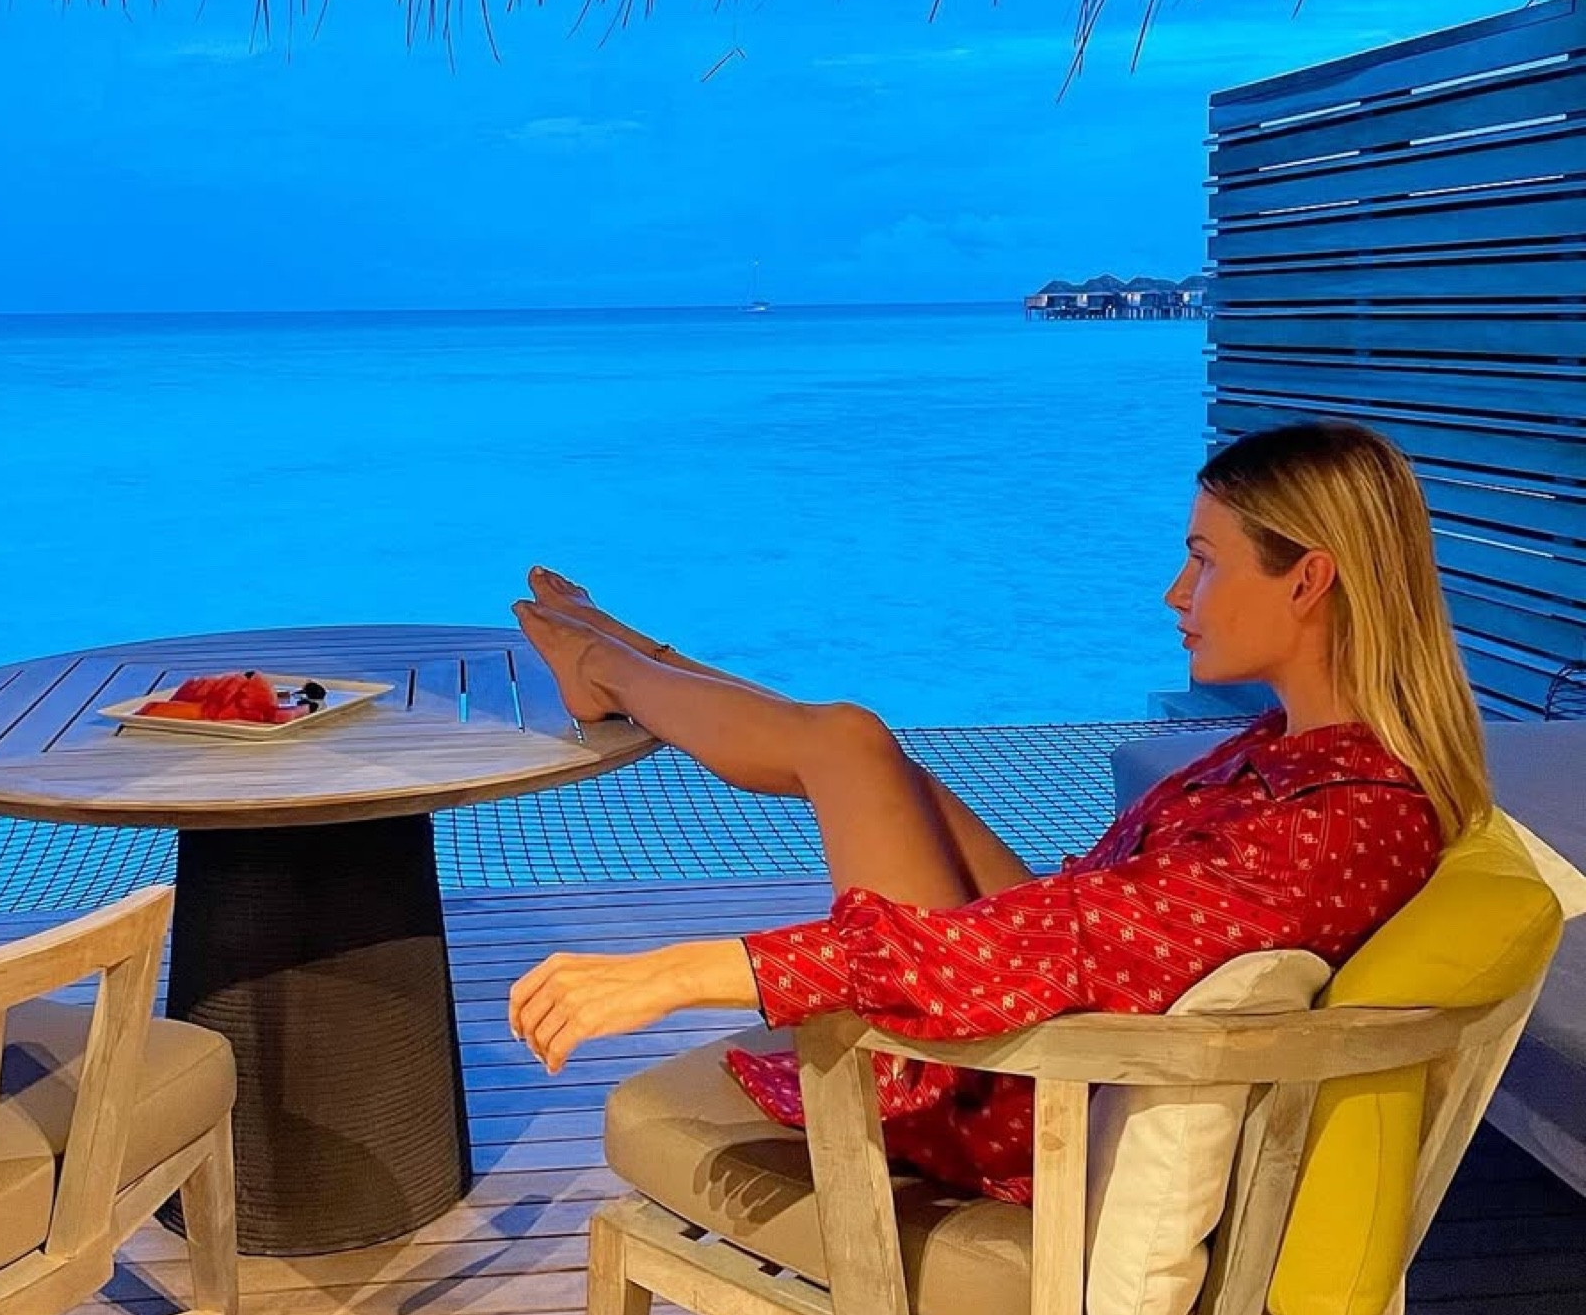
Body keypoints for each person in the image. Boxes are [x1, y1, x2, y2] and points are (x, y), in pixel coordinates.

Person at [506, 420, 1491, 1202]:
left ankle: (612, 670)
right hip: (1069, 1010)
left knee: (839, 741)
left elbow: (1069, 945)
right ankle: (634, 664)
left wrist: (692, 971)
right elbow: (1107, 927)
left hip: (1030, 1092)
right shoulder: (1300, 753)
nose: (1174, 593)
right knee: (853, 740)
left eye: (1204, 561)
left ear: (1308, 580)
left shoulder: (1344, 821)